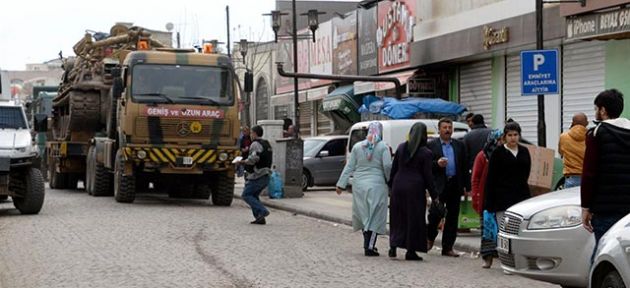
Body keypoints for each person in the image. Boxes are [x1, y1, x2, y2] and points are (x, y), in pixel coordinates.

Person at [581, 89, 630, 251]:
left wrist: (585, 208)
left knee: (602, 255)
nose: (595, 113)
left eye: (596, 109)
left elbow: (589, 174)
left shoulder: (597, 133)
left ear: (603, 110)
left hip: (605, 209)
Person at [336, 122, 392, 257]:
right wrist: (390, 181)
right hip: (377, 185)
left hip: (359, 185)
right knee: (375, 216)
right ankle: (370, 246)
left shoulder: (357, 147)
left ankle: (367, 244)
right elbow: (387, 166)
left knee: (365, 215)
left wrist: (340, 184)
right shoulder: (383, 147)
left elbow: (349, 167)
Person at [388, 122, 437, 261]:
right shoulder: (426, 152)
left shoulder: (401, 147)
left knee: (397, 218)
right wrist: (434, 195)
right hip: (415, 189)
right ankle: (411, 250)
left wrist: (391, 186)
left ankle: (393, 245)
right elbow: (428, 176)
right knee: (414, 219)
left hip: (398, 185)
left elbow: (394, 168)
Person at [484, 122, 531, 263]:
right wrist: (489, 201)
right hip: (501, 198)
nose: (513, 138)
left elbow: (527, 172)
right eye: (510, 135)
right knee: (504, 231)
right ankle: (506, 260)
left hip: (521, 197)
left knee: (518, 231)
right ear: (504, 137)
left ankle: (519, 258)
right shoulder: (498, 153)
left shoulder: (524, 151)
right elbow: (491, 177)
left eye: (515, 135)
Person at [426, 118, 470, 257]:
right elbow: (426, 165)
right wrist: (437, 164)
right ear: (439, 130)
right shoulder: (432, 145)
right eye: (444, 127)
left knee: (452, 217)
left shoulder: (459, 145)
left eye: (449, 127)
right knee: (435, 213)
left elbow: (464, 166)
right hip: (439, 185)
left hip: (454, 184)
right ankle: (430, 237)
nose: (447, 130)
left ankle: (448, 247)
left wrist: (466, 186)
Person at [471, 129, 503, 268]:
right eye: (501, 138)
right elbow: (476, 178)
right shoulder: (483, 156)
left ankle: (503, 256)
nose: (503, 141)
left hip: (502, 197)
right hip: (486, 197)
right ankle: (487, 257)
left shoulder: (506, 154)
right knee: (488, 228)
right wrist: (476, 197)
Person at [238, 125, 273, 225]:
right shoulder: (267, 143)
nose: (251, 135)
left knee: (246, 195)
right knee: (254, 195)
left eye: (252, 133)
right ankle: (259, 218)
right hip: (266, 174)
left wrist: (243, 162)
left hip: (257, 175)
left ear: (255, 133)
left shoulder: (255, 144)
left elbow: (253, 159)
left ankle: (262, 211)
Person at [558, 113, 588, 188]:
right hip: (587, 178)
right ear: (586, 123)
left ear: (573, 122)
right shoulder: (590, 136)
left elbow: (561, 152)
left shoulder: (563, 137)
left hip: (570, 178)